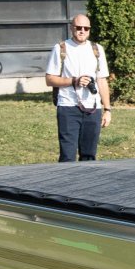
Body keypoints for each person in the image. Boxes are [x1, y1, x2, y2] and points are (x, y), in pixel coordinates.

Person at [45, 14, 111, 162]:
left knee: (89, 156)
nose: (82, 31)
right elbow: (49, 79)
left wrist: (107, 110)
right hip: (68, 107)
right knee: (67, 156)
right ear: (71, 28)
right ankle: (67, 185)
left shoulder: (97, 49)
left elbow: (102, 80)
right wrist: (74, 81)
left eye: (86, 28)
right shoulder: (61, 48)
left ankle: (87, 184)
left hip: (93, 109)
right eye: (78, 28)